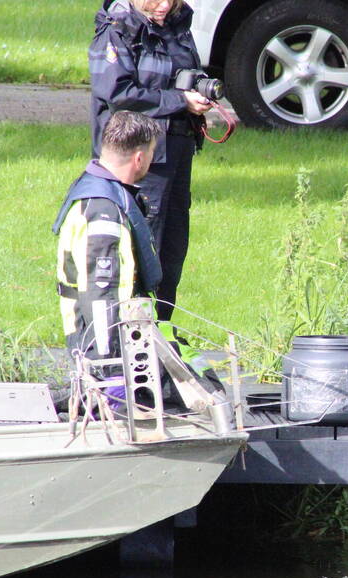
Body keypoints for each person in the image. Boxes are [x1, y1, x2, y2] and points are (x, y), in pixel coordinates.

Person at [90, 0, 213, 321]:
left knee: (172, 247)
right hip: (137, 156)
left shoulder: (178, 25)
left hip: (177, 148)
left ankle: (161, 328)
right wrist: (179, 100)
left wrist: (197, 98)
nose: (165, 5)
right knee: (144, 244)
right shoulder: (117, 30)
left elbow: (184, 74)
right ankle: (132, 333)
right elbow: (117, 92)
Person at [53, 109, 162, 364]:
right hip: (102, 346)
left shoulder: (99, 191)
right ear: (139, 158)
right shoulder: (103, 211)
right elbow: (99, 295)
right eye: (152, 154)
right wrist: (109, 368)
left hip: (118, 337)